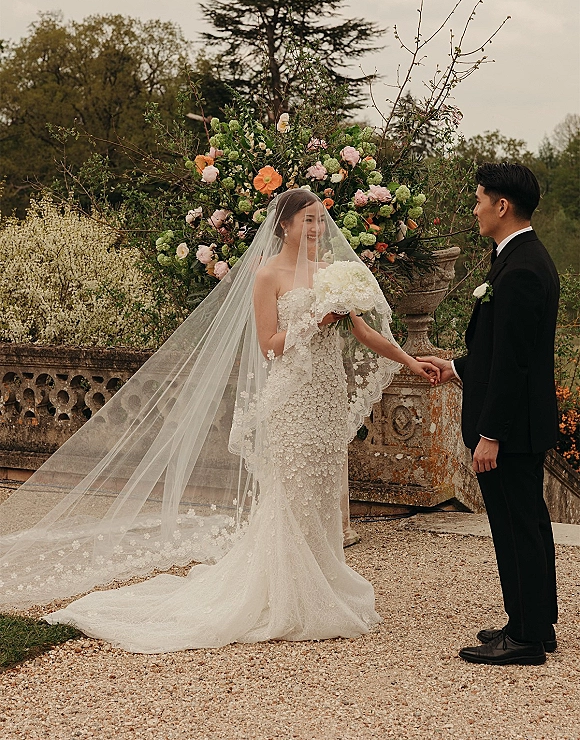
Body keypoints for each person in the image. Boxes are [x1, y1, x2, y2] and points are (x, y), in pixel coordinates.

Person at [0, 189, 438, 653]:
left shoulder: (333, 274)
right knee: (291, 491)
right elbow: (270, 343)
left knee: (323, 489)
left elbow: (364, 331)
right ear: (284, 226)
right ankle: (285, 594)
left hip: (327, 396)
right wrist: (317, 320)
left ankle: (321, 584)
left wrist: (411, 362)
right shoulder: (267, 275)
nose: (315, 230)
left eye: (319, 221)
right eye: (306, 221)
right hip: (291, 398)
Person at [420, 163, 559, 666]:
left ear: (503, 206)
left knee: (515, 526)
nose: (475, 207)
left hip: (512, 429)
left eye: (480, 198)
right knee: (528, 523)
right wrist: (456, 366)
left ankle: (524, 639)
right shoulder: (518, 258)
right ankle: (534, 624)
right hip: (521, 423)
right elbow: (500, 351)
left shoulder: (520, 269)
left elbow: (515, 364)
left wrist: (491, 435)